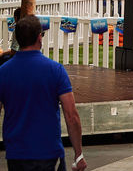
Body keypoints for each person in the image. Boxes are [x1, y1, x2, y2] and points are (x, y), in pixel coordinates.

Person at [0, 15, 88, 171]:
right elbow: (71, 115)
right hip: (48, 152)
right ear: (39, 38)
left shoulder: (3, 72)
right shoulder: (55, 70)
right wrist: (78, 154)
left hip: (16, 153)